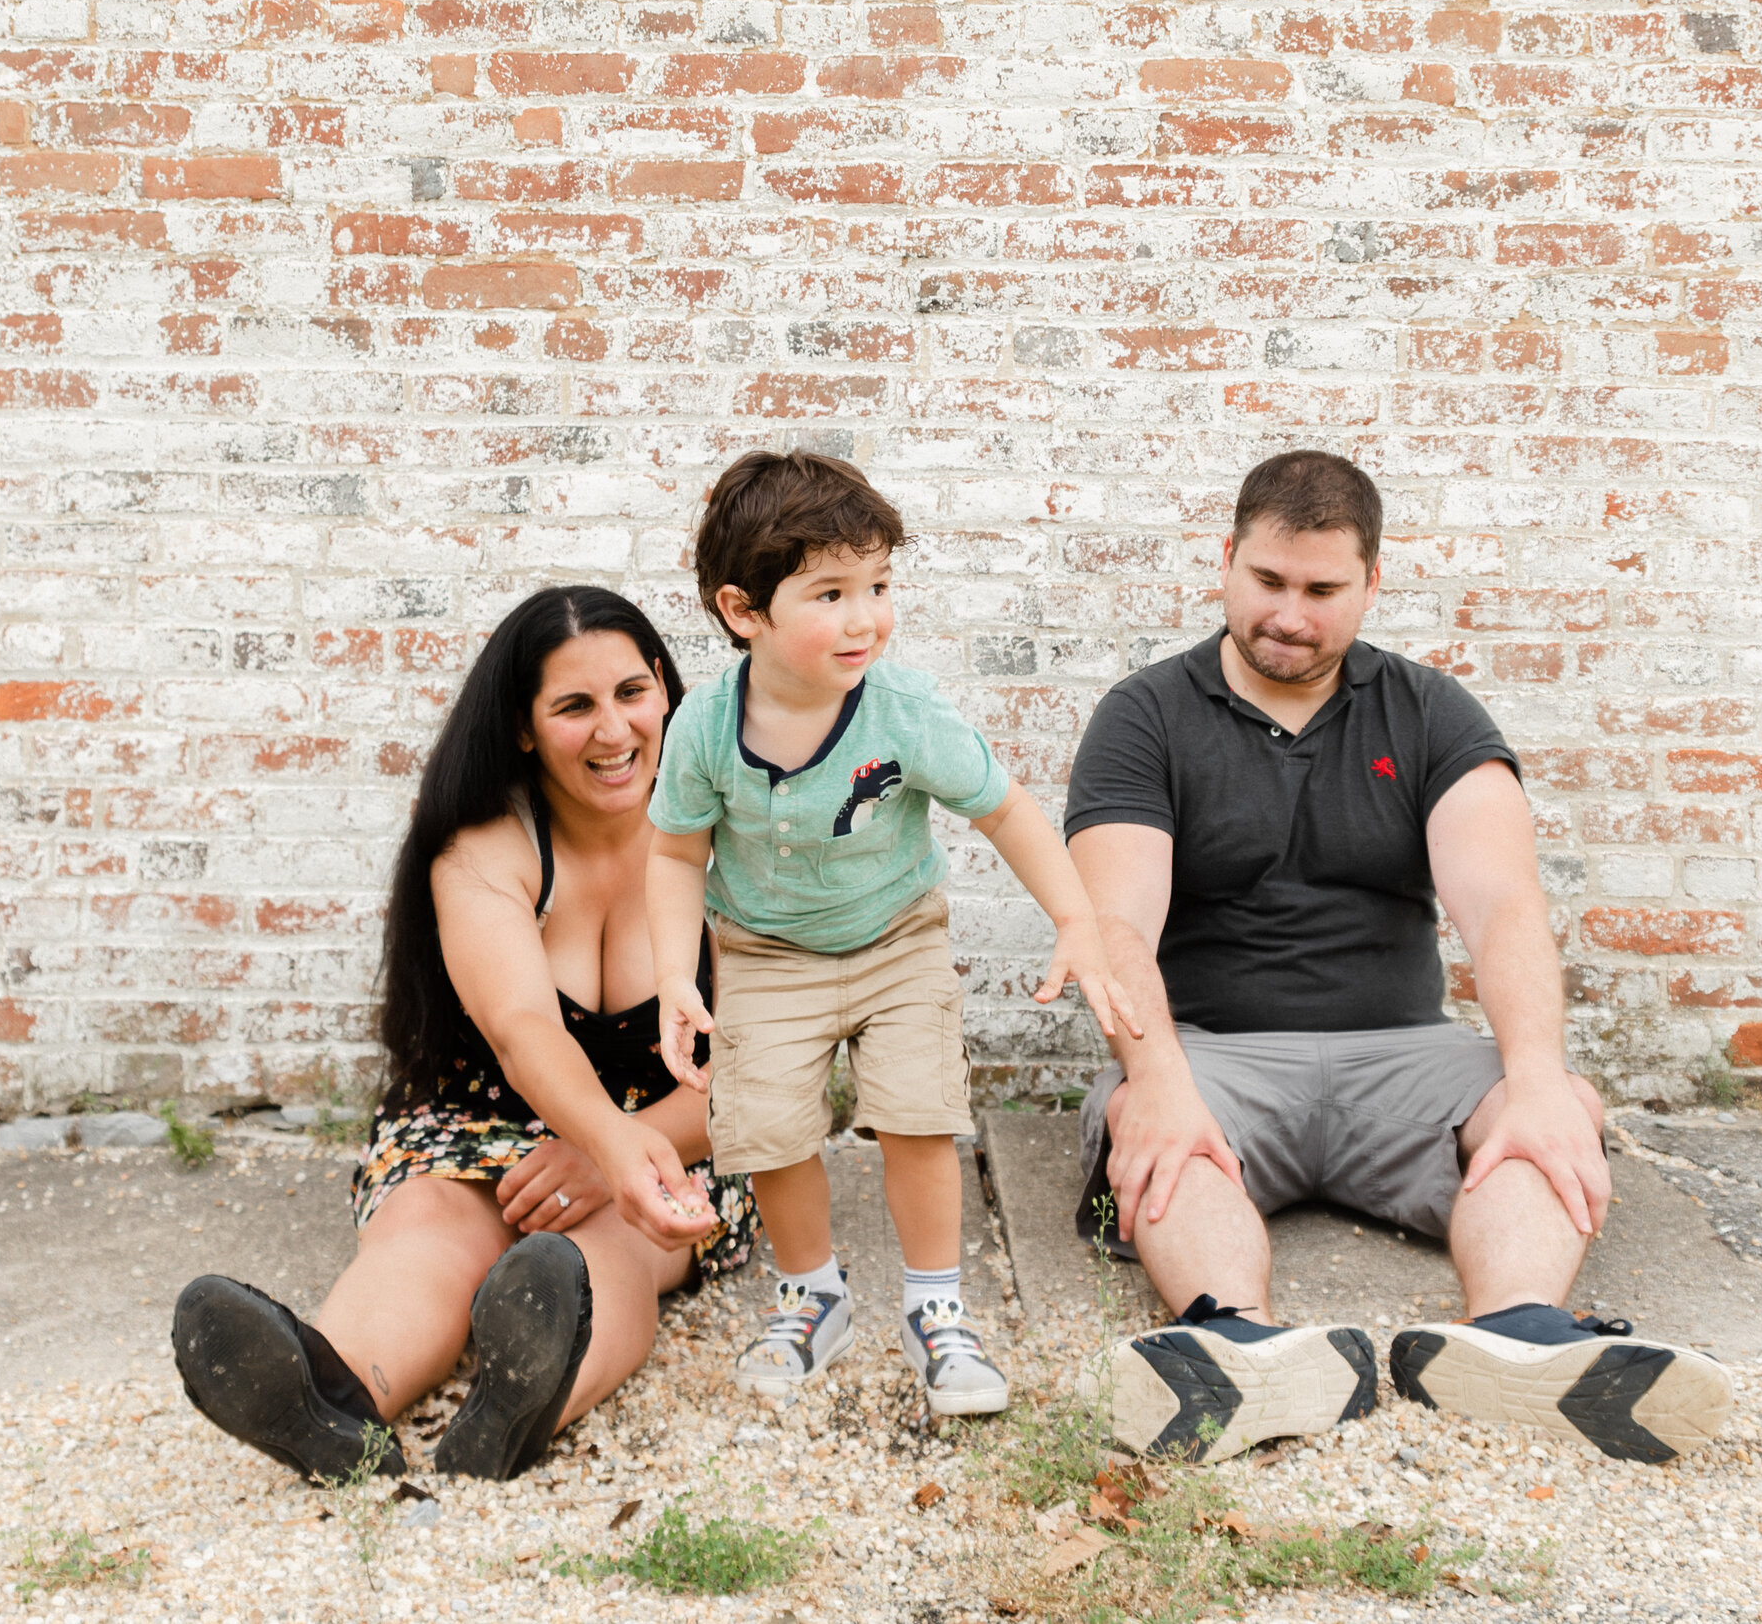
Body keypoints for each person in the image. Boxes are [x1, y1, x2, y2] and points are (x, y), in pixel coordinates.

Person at [1066, 450, 1733, 1467]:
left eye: (1322, 590)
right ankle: (1231, 1342)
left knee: (1547, 1110)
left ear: (1371, 583)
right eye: (1268, 582)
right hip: (1213, 1060)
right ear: (1226, 565)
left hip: (1403, 1056)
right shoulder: (1145, 714)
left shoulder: (1429, 712)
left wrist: (1542, 1077)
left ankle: (1514, 1339)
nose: (1290, 613)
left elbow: (1503, 903)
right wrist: (1153, 1079)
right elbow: (1116, 923)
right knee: (1152, 1127)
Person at [171, 586, 754, 1483]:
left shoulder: (731, 834)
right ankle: (333, 1401)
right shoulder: (484, 848)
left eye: (632, 693)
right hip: (475, 1122)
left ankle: (523, 1403)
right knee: (430, 1226)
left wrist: (618, 1155)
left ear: (668, 691)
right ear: (523, 728)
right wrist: (601, 1136)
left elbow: (765, 1061)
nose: (613, 730)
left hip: (677, 1133)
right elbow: (522, 1027)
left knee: (616, 1249)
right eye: (574, 706)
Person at [647, 449, 1139, 1417]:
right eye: (829, 593)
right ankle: (811, 1294)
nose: (865, 615)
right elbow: (672, 855)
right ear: (744, 611)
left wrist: (1076, 919)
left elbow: (1005, 811)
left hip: (896, 941)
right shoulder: (705, 726)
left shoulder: (904, 712)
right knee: (770, 1128)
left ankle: (936, 1308)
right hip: (765, 953)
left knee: (919, 1112)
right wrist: (676, 975)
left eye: (877, 584)